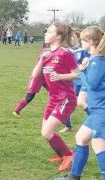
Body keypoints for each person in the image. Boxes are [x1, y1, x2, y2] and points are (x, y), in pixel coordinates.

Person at [54, 26, 105, 180]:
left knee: (98, 146)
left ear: (91, 41)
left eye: (83, 40)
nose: (81, 42)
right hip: (100, 109)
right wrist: (84, 69)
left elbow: (92, 84)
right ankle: (74, 177)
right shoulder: (97, 58)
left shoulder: (97, 60)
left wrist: (80, 72)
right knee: (81, 137)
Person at [31, 22, 79, 171]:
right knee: (45, 132)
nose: (45, 33)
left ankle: (69, 155)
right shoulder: (46, 53)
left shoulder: (64, 53)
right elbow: (35, 76)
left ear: (58, 36)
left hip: (66, 98)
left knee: (47, 132)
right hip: (53, 98)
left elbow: (77, 74)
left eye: (49, 31)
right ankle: (61, 155)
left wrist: (60, 76)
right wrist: (41, 59)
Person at [59, 29, 91, 133]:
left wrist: (83, 66)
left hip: (83, 81)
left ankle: (95, 119)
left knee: (81, 102)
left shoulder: (84, 51)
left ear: (78, 37)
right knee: (65, 101)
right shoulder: (67, 51)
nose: (70, 39)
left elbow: (87, 64)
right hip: (72, 81)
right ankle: (67, 126)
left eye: (72, 37)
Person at [12, 42, 49, 117]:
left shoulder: (52, 50)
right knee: (29, 97)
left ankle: (52, 113)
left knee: (55, 93)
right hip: (37, 77)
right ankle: (16, 111)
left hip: (46, 76)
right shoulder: (46, 51)